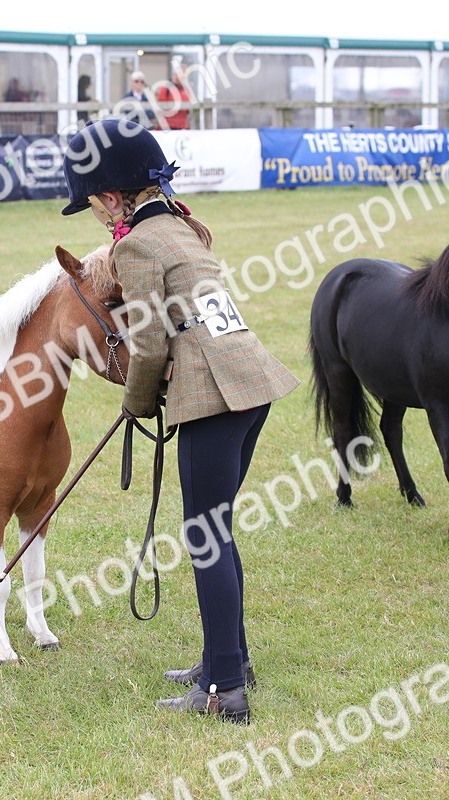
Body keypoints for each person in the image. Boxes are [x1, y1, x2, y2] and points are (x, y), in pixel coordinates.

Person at [60, 118, 299, 722]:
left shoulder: (134, 245)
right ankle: (228, 661)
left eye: (92, 203)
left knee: (206, 538)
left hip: (213, 396)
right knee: (217, 533)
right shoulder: (183, 228)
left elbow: (150, 345)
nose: (95, 215)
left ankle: (222, 690)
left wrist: (134, 404)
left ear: (113, 197)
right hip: (252, 386)